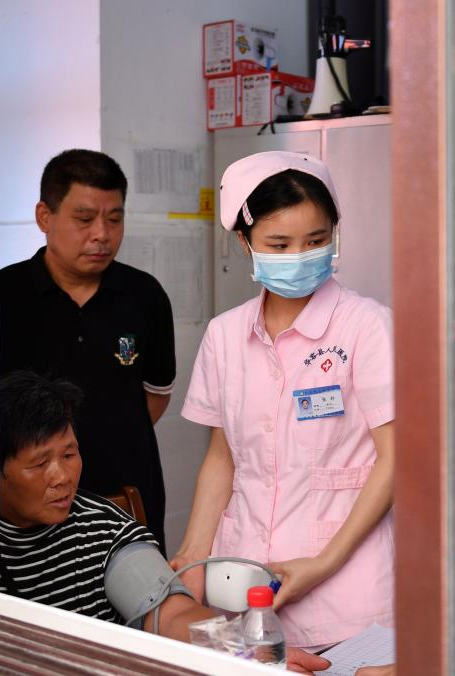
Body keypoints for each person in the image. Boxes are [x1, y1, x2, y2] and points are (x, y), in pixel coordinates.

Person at [173, 151, 395, 650]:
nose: (300, 255)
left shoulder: (367, 326)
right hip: (243, 580)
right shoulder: (225, 335)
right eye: (279, 244)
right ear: (244, 242)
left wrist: (323, 563)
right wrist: (193, 556)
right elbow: (222, 457)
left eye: (316, 241)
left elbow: (395, 458)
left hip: (348, 590)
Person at [0, 370, 329, 674]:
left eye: (69, 455)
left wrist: (246, 650)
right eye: (39, 464)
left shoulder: (105, 531)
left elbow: (171, 614)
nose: (62, 477)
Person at [0, 149, 176, 550]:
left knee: (140, 586)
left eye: (114, 219)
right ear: (45, 216)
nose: (101, 234)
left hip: (128, 495)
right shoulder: (2, 296)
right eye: (84, 219)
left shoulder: (144, 296)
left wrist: (107, 435)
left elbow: (155, 395)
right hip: (27, 509)